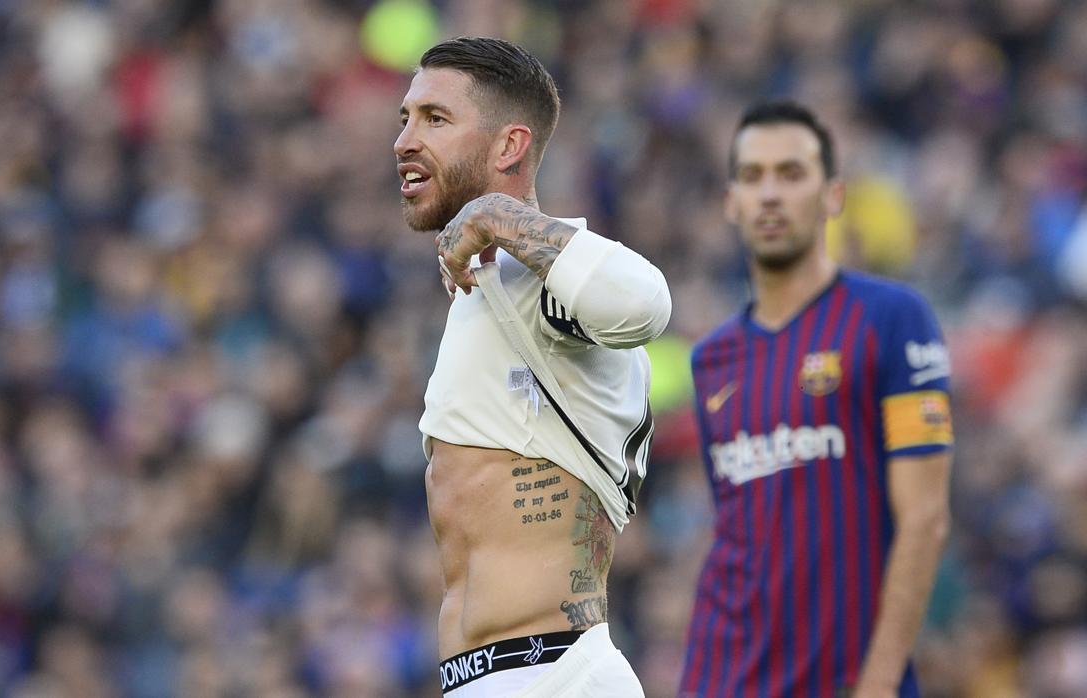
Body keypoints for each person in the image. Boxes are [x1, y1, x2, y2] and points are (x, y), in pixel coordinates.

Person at [395, 37, 671, 697]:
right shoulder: (493, 285)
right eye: (404, 119)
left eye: (435, 119)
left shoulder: (548, 283)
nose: (405, 140)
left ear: (509, 146)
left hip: (551, 671)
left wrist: (497, 214)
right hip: (494, 675)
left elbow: (647, 302)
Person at [680, 100, 954, 698]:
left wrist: (879, 682)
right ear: (731, 202)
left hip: (848, 679)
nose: (769, 194)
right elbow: (738, 528)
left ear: (833, 195)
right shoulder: (712, 360)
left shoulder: (892, 318)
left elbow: (925, 518)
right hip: (723, 675)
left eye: (791, 173)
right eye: (752, 177)